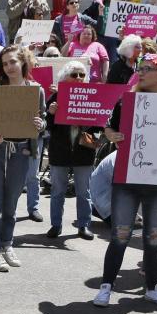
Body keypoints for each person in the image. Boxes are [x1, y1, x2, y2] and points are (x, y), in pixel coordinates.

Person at [94, 54, 157, 308]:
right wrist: (112, 134)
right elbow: (109, 127)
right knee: (120, 235)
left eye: (148, 68)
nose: (142, 72)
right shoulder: (127, 101)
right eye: (141, 68)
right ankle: (106, 286)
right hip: (128, 178)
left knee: (153, 237)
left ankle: (151, 287)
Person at [0, 46, 47, 272]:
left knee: (11, 203)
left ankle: (6, 244)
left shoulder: (36, 90)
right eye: (5, 63)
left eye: (13, 62)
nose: (9, 67)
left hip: (21, 152)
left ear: (23, 63)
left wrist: (41, 124)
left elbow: (43, 117)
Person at [44, 60, 97, 240]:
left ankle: (84, 226)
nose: (79, 78)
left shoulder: (92, 96)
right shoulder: (55, 97)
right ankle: (56, 225)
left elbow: (98, 127)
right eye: (74, 75)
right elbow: (46, 127)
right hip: (60, 152)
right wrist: (50, 113)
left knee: (84, 192)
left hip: (84, 152)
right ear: (64, 78)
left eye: (82, 75)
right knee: (58, 190)